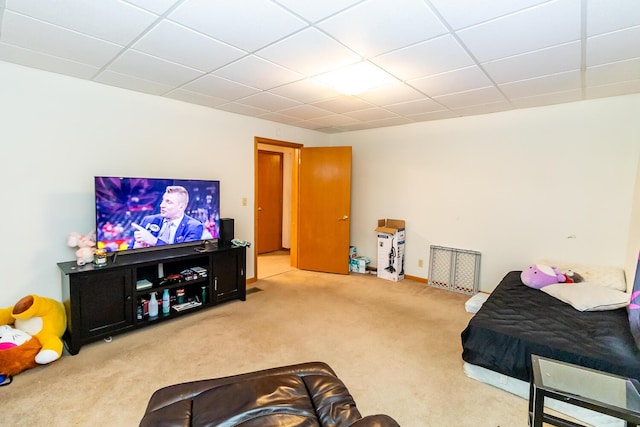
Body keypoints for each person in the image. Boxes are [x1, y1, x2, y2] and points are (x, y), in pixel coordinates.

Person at [130, 186, 203, 249]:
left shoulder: (194, 227)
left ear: (181, 207)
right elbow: (128, 252)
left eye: (168, 202)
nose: (162, 205)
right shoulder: (149, 220)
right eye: (163, 200)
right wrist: (136, 249)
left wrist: (154, 242)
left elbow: (186, 255)